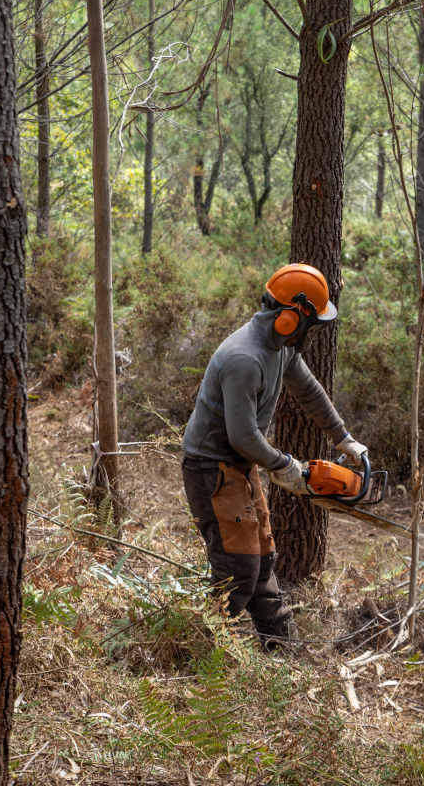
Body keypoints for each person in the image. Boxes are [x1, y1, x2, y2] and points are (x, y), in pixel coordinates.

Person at [180, 263, 368, 647]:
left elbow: (309, 391)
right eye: (309, 323)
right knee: (238, 570)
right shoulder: (244, 359)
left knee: (263, 559)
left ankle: (282, 650)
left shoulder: (279, 349)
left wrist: (343, 437)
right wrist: (286, 467)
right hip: (210, 468)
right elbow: (243, 435)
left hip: (240, 465)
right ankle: (206, 658)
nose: (310, 333)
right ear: (288, 317)